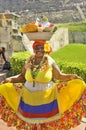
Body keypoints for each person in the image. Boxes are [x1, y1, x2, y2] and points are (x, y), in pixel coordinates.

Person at [0, 40, 86, 130]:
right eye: (37, 48)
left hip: (47, 98)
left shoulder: (50, 61)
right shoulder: (29, 60)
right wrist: (10, 79)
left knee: (45, 123)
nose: (39, 50)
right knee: (30, 122)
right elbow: (22, 76)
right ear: (33, 50)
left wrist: (71, 76)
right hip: (28, 98)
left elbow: (59, 76)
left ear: (46, 49)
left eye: (42, 48)